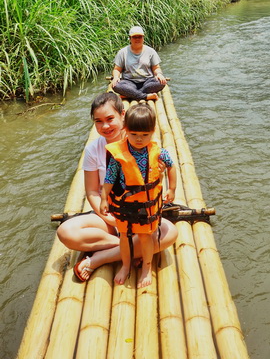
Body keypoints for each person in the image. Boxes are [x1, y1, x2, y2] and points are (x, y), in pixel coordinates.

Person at [56, 92, 178, 282]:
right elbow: (92, 191)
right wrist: (111, 219)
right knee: (65, 232)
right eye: (98, 121)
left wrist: (162, 176)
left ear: (123, 115)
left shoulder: (141, 141)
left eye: (110, 119)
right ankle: (131, 249)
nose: (105, 126)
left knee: (171, 233)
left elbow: (159, 175)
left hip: (142, 215)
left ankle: (101, 258)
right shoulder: (93, 150)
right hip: (111, 216)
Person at [101, 104, 177, 287]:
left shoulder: (158, 152)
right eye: (134, 134)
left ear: (152, 132)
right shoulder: (119, 153)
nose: (139, 139)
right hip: (126, 205)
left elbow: (171, 166)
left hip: (147, 206)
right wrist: (104, 197)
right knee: (125, 237)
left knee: (145, 237)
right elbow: (110, 177)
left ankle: (146, 267)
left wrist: (172, 188)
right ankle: (126, 265)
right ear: (125, 130)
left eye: (145, 135)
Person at [111, 25, 167, 101]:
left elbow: (156, 68)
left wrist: (159, 74)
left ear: (143, 38)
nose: (137, 39)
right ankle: (145, 96)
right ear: (130, 38)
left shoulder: (150, 51)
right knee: (116, 86)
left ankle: (130, 94)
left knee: (161, 83)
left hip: (147, 82)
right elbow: (117, 69)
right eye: (134, 37)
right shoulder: (122, 52)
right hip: (129, 82)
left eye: (139, 37)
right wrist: (116, 77)